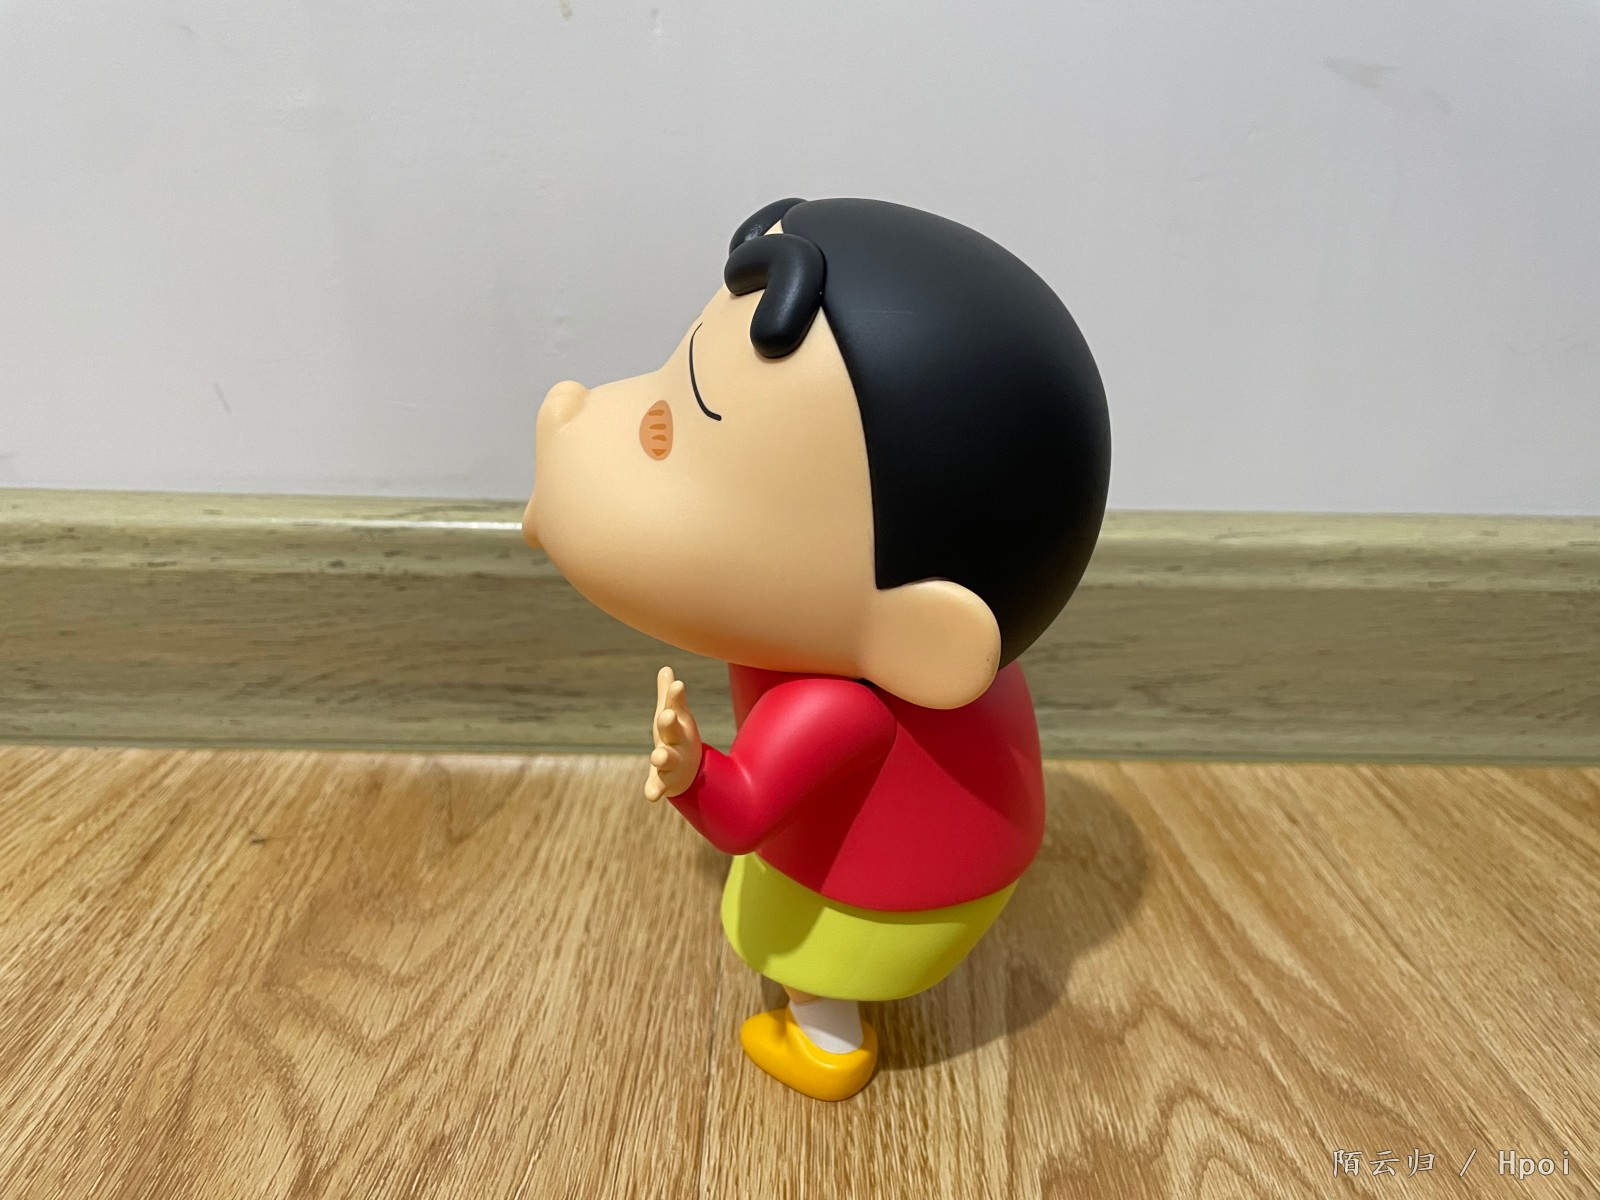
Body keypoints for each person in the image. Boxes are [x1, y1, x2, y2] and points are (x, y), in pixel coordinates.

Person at [521, 197, 1110, 1100]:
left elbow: (742, 815)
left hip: (887, 896)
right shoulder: (904, 656)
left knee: (798, 956)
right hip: (972, 845)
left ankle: (828, 1042)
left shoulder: (832, 707)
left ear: (921, 632)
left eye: (669, 430)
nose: (582, 404)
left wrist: (691, 772)